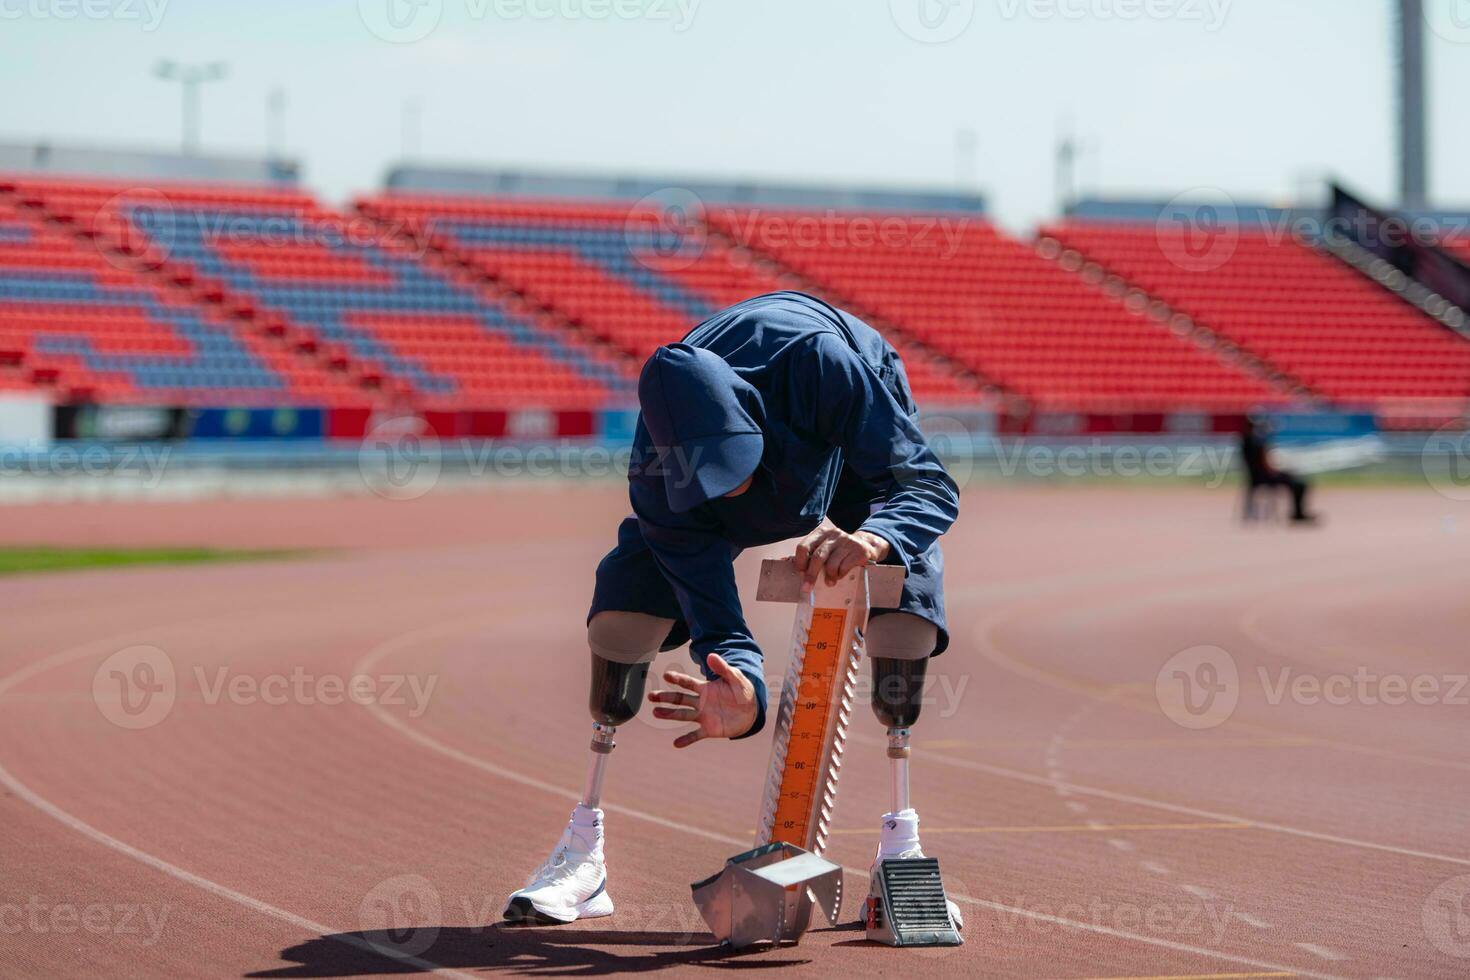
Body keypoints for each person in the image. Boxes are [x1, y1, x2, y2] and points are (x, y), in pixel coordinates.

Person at [501, 291, 962, 928]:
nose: (731, 487)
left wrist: (876, 538)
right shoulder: (662, 478)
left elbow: (926, 484)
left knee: (903, 615)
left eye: (734, 467)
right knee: (623, 618)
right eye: (710, 478)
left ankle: (899, 855)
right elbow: (713, 611)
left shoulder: (823, 365)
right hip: (728, 467)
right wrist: (742, 687)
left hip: (840, 431)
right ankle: (583, 855)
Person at [1240, 415, 1316, 523]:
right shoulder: (1257, 442)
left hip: (1254, 478)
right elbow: (1266, 464)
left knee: (1293, 479)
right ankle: (1298, 514)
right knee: (1299, 483)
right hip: (1265, 477)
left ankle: (1298, 514)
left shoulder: (1244, 441)